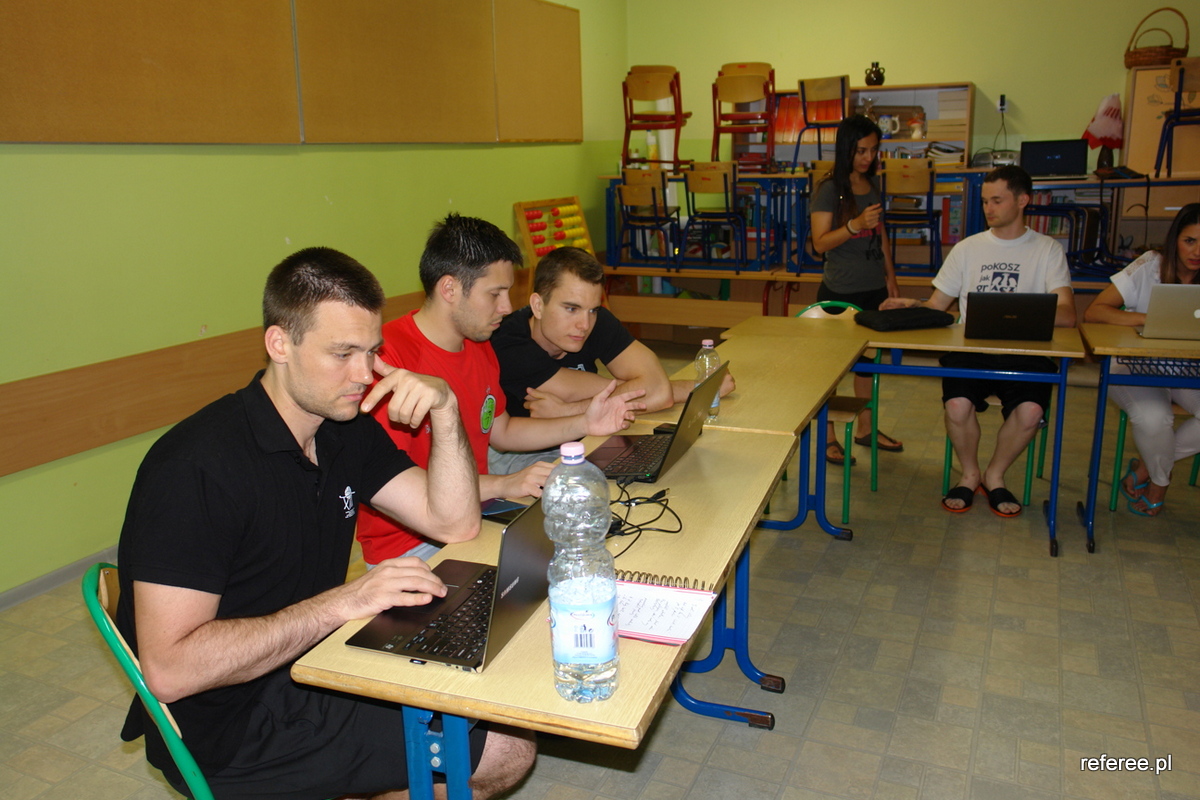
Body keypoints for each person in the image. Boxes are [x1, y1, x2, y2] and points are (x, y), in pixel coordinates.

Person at [115, 247, 535, 800]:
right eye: (342, 353)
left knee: (491, 688)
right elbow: (169, 671)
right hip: (227, 728)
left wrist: (446, 409)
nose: (363, 375)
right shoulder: (194, 468)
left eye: (372, 352)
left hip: (310, 664)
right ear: (279, 344)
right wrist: (344, 603)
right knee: (505, 749)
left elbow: (454, 523)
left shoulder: (341, 426)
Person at [357, 214, 646, 565]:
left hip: (479, 512)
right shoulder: (387, 361)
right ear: (449, 289)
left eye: (507, 292)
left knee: (597, 538)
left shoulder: (480, 346)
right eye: (495, 294)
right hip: (410, 547)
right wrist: (505, 483)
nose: (508, 307)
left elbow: (503, 431)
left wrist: (586, 423)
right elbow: (407, 486)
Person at [882, 165, 1076, 516]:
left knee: (1031, 411)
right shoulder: (967, 249)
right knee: (957, 405)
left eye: (997, 200)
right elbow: (938, 307)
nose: (989, 208)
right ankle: (970, 474)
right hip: (971, 351)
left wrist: (1014, 315)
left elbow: (1066, 314)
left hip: (1026, 353)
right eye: (985, 201)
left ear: (1023, 201)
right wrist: (911, 305)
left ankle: (994, 475)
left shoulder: (1047, 250)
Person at [488, 246, 735, 474]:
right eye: (571, 309)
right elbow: (645, 391)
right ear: (538, 305)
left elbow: (659, 392)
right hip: (521, 455)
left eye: (593, 310)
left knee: (682, 463)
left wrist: (566, 410)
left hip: (585, 436)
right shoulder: (507, 343)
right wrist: (699, 387)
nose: (584, 325)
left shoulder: (595, 321)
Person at [1083, 203, 1200, 516]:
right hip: (1134, 364)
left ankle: (1147, 468)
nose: (1197, 251)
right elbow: (1095, 311)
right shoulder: (1150, 264)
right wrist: (1149, 319)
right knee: (1154, 419)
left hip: (1190, 368)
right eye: (1190, 240)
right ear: (1175, 239)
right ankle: (1159, 483)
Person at [809, 114, 904, 466]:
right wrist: (854, 224)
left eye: (874, 150)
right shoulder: (829, 189)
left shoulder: (871, 185)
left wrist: (891, 278)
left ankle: (866, 428)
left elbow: (881, 235)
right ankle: (828, 437)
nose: (868, 157)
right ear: (846, 148)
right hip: (840, 290)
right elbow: (820, 243)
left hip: (874, 289)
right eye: (861, 150)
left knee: (868, 366)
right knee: (831, 370)